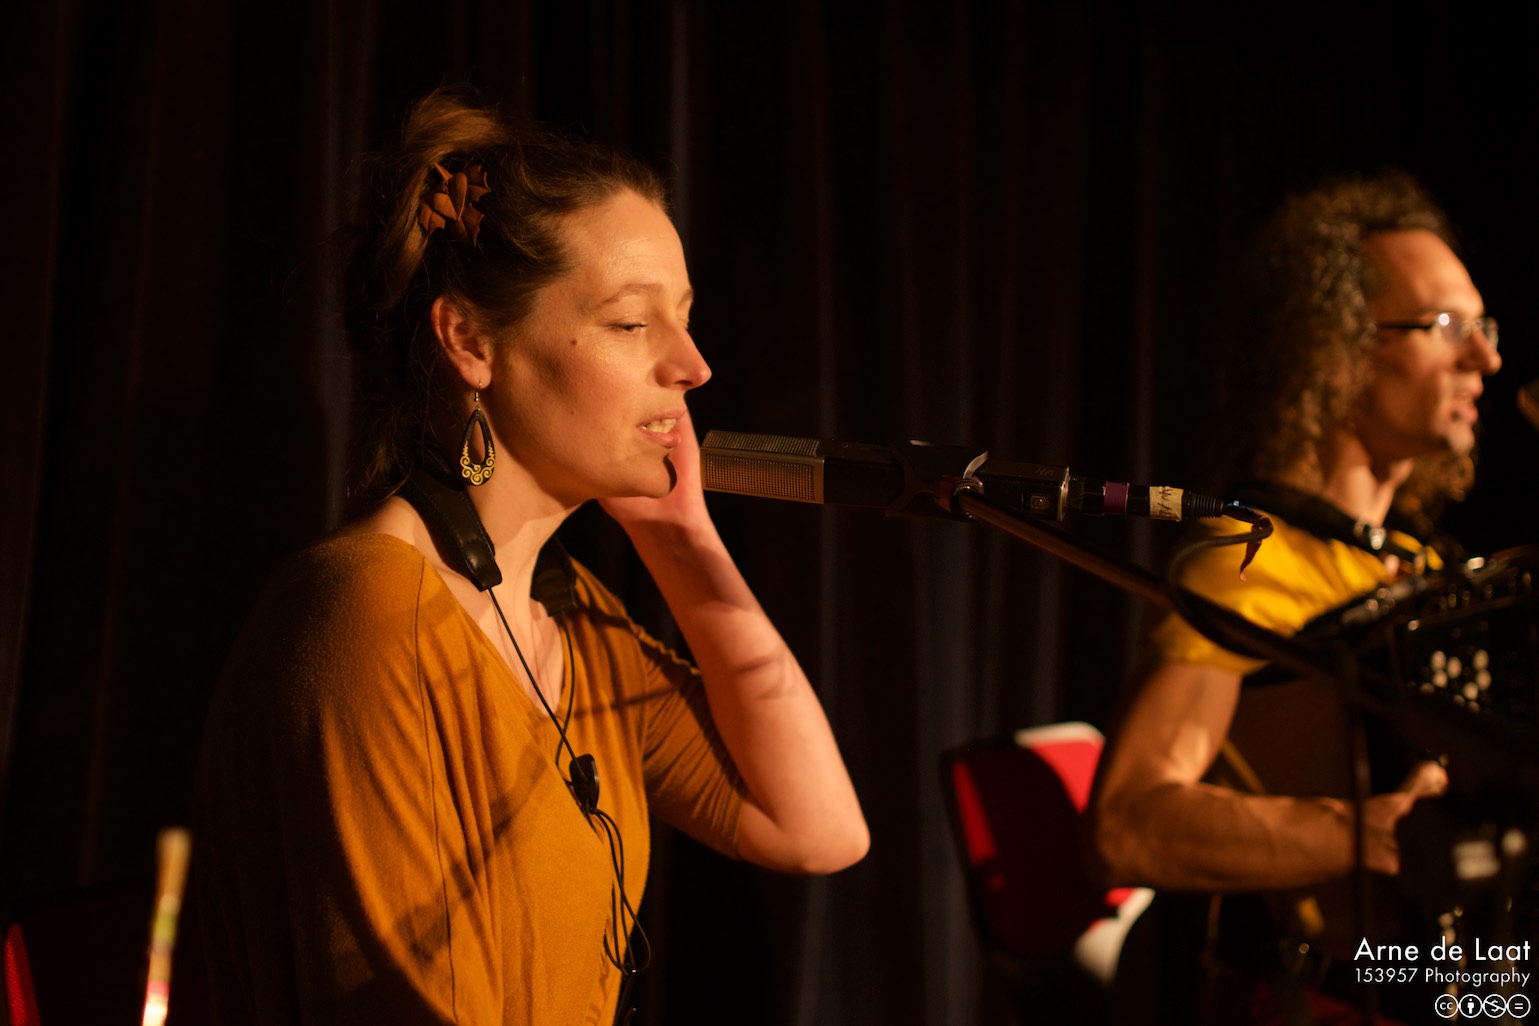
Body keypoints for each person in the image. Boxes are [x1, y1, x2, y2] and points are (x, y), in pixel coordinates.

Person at [193, 86, 868, 1025]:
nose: (692, 366)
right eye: (632, 323)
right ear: (471, 340)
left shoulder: (569, 615)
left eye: (683, 316)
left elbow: (816, 830)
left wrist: (685, 542)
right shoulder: (367, 611)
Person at [1088, 171, 1505, 1024]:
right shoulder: (1250, 561)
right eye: (1444, 326)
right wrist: (1366, 833)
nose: (1484, 359)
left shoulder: (1425, 565)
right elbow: (1127, 824)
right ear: (1336, 351)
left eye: (1482, 327)